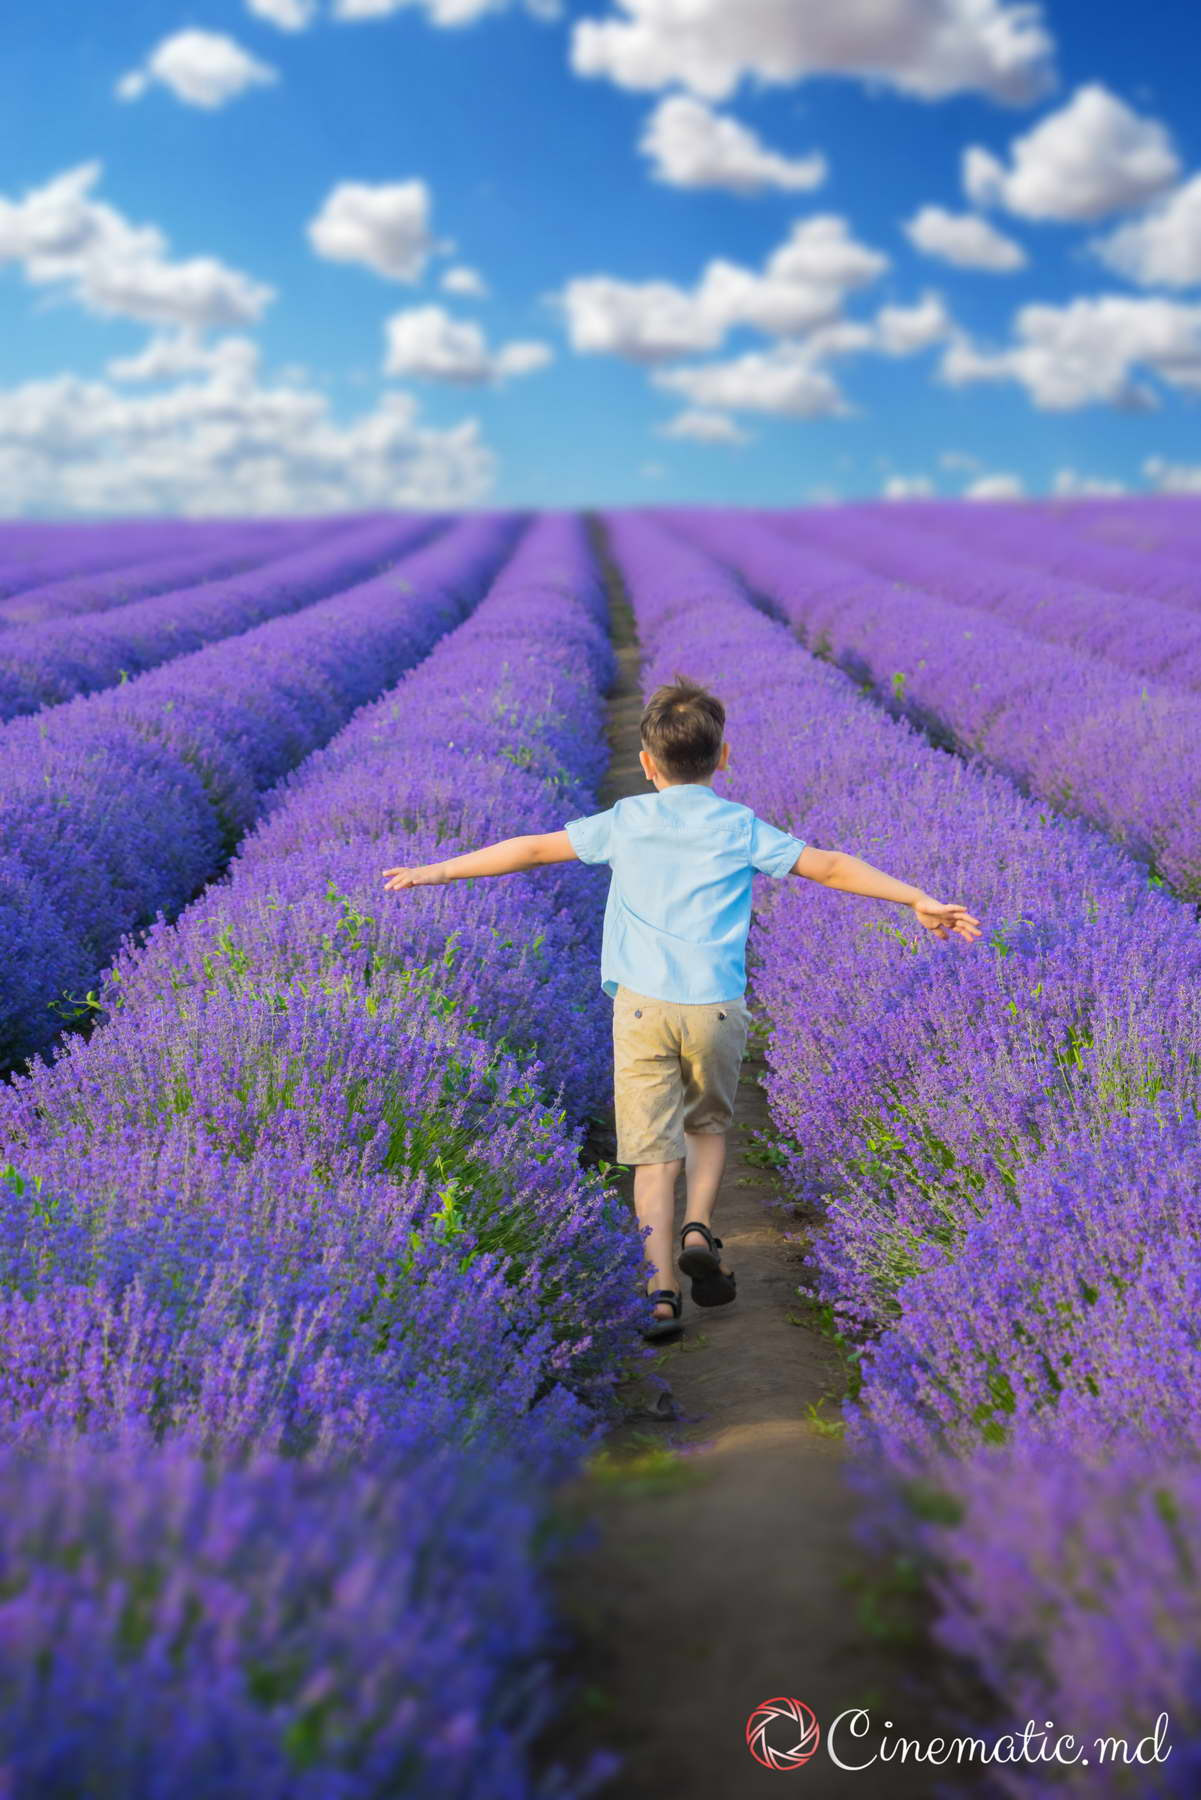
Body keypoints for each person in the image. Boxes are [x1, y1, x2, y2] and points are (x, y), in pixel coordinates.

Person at [383, 678, 981, 1341]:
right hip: (715, 1007)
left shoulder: (627, 820)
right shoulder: (737, 825)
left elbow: (528, 849)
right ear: (722, 759)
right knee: (706, 1126)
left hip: (640, 1008)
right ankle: (700, 1224)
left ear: (645, 764)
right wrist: (915, 898)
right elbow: (831, 867)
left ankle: (660, 1290)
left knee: (650, 1154)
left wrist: (433, 871)